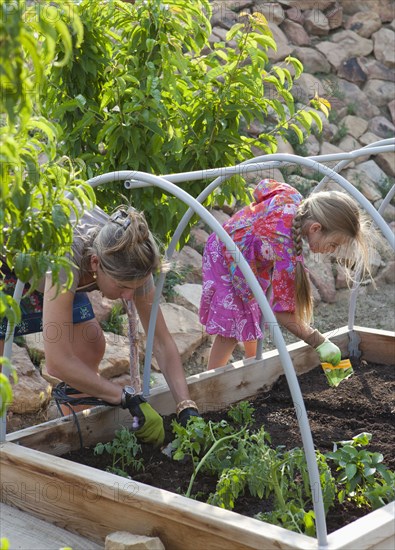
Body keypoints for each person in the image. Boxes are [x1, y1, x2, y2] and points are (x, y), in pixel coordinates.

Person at [0, 205, 199, 445]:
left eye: (134, 287)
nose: (129, 296)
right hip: (13, 258)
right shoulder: (67, 261)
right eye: (122, 287)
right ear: (95, 263)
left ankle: (77, 437)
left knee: (90, 346)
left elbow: (161, 340)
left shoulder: (135, 259)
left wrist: (186, 406)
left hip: (57, 270)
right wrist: (123, 397)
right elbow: (57, 362)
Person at [200, 178, 376, 370]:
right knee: (232, 326)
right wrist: (320, 342)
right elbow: (282, 313)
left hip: (248, 261)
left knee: (253, 311)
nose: (331, 250)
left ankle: (252, 367)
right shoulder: (286, 251)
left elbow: (263, 187)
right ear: (315, 228)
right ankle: (209, 383)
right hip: (225, 257)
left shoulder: (294, 198)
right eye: (333, 244)